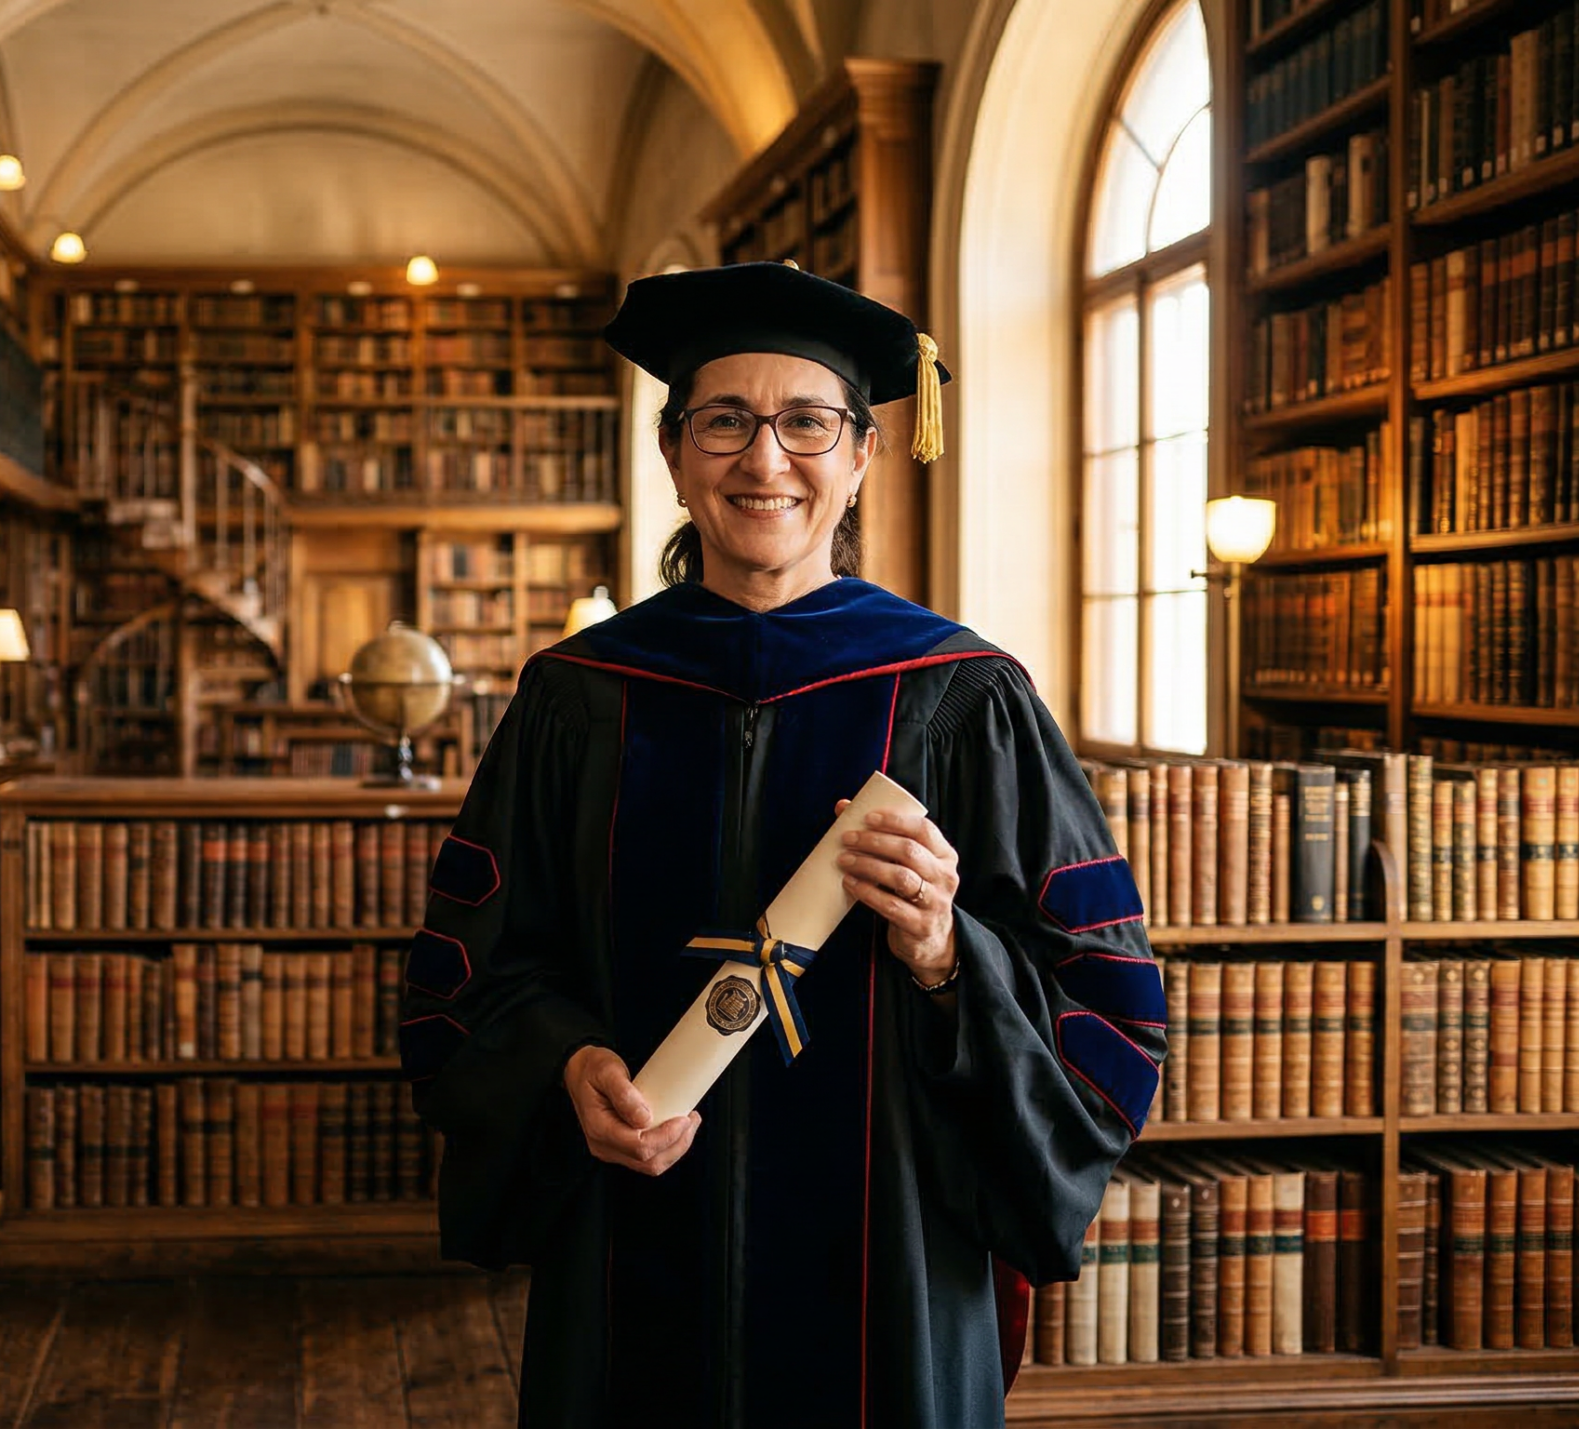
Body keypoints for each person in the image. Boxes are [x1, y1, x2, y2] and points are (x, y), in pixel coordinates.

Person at [399, 262, 1163, 1427]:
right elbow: (471, 979)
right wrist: (566, 1065)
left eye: (807, 422)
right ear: (673, 453)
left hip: (889, 1269)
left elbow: (1106, 1006)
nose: (765, 460)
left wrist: (950, 953)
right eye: (725, 421)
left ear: (860, 456)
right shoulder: (577, 699)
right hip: (629, 1250)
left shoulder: (963, 697)